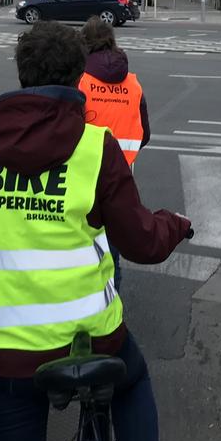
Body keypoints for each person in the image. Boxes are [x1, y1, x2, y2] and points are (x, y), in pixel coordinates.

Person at [0, 21, 191, 441]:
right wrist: (176, 224)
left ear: (21, 75)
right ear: (78, 80)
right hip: (92, 340)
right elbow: (142, 242)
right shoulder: (95, 148)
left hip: (5, 354)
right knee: (132, 384)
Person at [78, 16, 150, 289]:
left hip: (83, 176)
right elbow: (144, 134)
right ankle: (111, 314)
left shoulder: (81, 81)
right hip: (121, 177)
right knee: (112, 251)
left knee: (82, 246)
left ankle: (83, 309)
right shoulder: (132, 84)